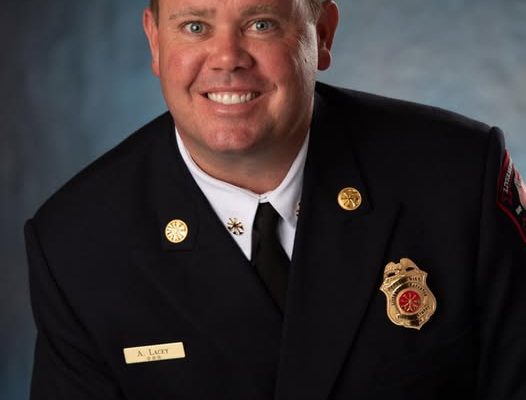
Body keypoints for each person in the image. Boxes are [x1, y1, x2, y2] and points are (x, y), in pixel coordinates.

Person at [24, 0, 526, 399]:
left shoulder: (457, 176)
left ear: (322, 33)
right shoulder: (77, 243)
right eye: (195, 27)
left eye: (261, 24)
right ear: (155, 41)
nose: (227, 58)